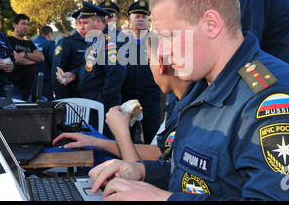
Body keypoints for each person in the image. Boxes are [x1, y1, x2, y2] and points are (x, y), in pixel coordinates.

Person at [89, 0, 289, 201]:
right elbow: (199, 180)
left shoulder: (277, 100)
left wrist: (163, 200)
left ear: (211, 24)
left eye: (168, 36)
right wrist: (143, 172)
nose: (162, 53)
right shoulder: (202, 87)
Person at [53, 33, 191, 162]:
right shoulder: (181, 104)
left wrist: (121, 132)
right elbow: (160, 153)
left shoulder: (191, 112)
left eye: (149, 60)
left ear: (161, 65)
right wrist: (96, 142)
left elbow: (157, 170)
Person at [57, 1, 126, 138]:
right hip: (93, 103)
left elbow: (115, 74)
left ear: (98, 21)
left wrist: (100, 100)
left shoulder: (110, 42)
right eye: (81, 22)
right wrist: (74, 75)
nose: (81, 27)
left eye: (86, 22)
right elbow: (89, 67)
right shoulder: (94, 40)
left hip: (103, 106)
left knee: (104, 145)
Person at [120, 1, 162, 144]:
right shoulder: (121, 42)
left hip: (150, 97)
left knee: (153, 138)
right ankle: (127, 166)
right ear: (130, 19)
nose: (140, 19)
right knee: (126, 139)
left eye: (144, 17)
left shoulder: (157, 41)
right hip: (126, 97)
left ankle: (152, 166)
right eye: (137, 16)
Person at [6, 14, 44, 101]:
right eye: (23, 23)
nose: (26, 27)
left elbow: (41, 57)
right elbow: (16, 59)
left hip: (29, 87)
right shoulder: (9, 41)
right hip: (13, 86)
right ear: (14, 25)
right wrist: (33, 60)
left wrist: (25, 54)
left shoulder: (30, 44)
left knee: (27, 113)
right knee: (14, 113)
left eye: (27, 24)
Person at [53, 9, 87, 99]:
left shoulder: (93, 41)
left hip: (90, 95)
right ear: (80, 22)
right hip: (73, 96)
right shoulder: (67, 42)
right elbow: (58, 72)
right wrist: (63, 100)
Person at [32, 25, 55, 101]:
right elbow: (54, 62)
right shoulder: (49, 44)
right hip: (46, 81)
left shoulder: (31, 43)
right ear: (49, 34)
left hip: (32, 82)